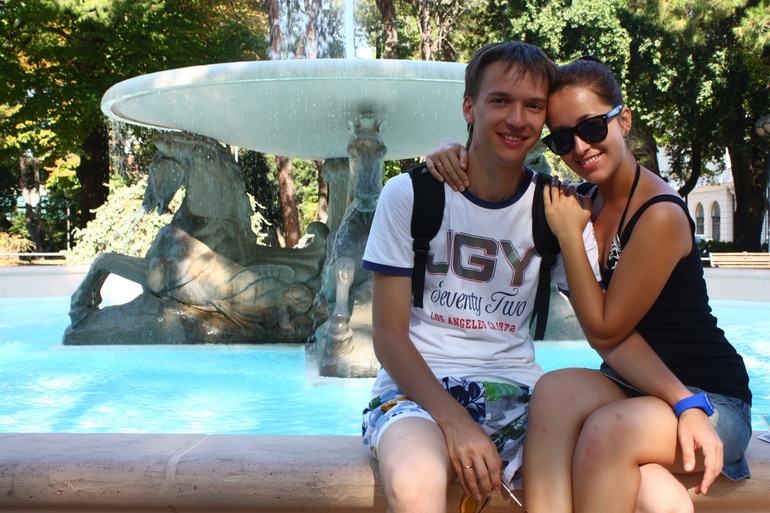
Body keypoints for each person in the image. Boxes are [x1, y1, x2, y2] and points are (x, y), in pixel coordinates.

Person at [427, 56, 752, 513]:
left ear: (624, 120)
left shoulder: (658, 214)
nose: (579, 147)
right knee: (554, 391)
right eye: (562, 138)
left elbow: (604, 330)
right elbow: (488, 162)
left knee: (608, 431)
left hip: (708, 400)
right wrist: (448, 149)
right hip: (631, 385)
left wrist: (686, 403)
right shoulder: (579, 203)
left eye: (592, 128)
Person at [359, 41, 600, 513]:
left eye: (533, 106)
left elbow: (603, 326)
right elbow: (387, 336)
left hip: (521, 395)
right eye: (500, 101)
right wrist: (455, 422)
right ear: (469, 107)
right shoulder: (410, 195)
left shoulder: (557, 208)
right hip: (415, 394)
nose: (517, 119)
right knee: (414, 480)